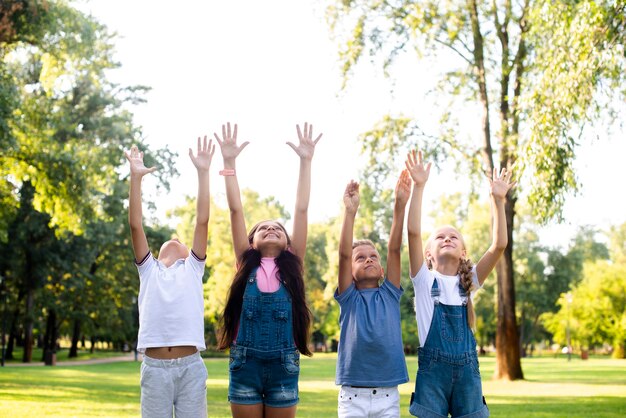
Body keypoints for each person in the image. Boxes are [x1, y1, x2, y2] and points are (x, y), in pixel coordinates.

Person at [215, 122, 321, 418]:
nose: (272, 227)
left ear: (288, 244)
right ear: (251, 242)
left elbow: (301, 209)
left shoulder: (293, 263)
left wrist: (306, 161)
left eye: (277, 227)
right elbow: (236, 209)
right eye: (263, 227)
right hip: (245, 365)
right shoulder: (245, 260)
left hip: (283, 365)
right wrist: (228, 162)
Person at [405, 149, 516, 418]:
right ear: (428, 254)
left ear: (464, 252)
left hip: (468, 377)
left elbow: (499, 244)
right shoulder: (423, 280)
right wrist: (419, 187)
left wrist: (497, 200)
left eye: (453, 237)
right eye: (440, 237)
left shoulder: (469, 282)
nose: (447, 238)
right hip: (432, 377)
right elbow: (413, 232)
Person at [125, 137, 215, 418]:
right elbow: (135, 224)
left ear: (190, 253)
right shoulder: (148, 269)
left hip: (190, 367)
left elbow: (202, 220)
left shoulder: (192, 268)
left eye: (179, 239)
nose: (174, 240)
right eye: (169, 239)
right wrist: (135, 179)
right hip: (154, 370)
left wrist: (203, 172)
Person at [334, 171, 412, 418]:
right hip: (352, 397)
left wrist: (400, 205)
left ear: (381, 270)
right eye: (360, 257)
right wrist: (350, 213)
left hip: (388, 396)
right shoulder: (349, 297)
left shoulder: (389, 293)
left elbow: (394, 249)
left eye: (373, 257)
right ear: (351, 272)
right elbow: (344, 255)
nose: (368, 258)